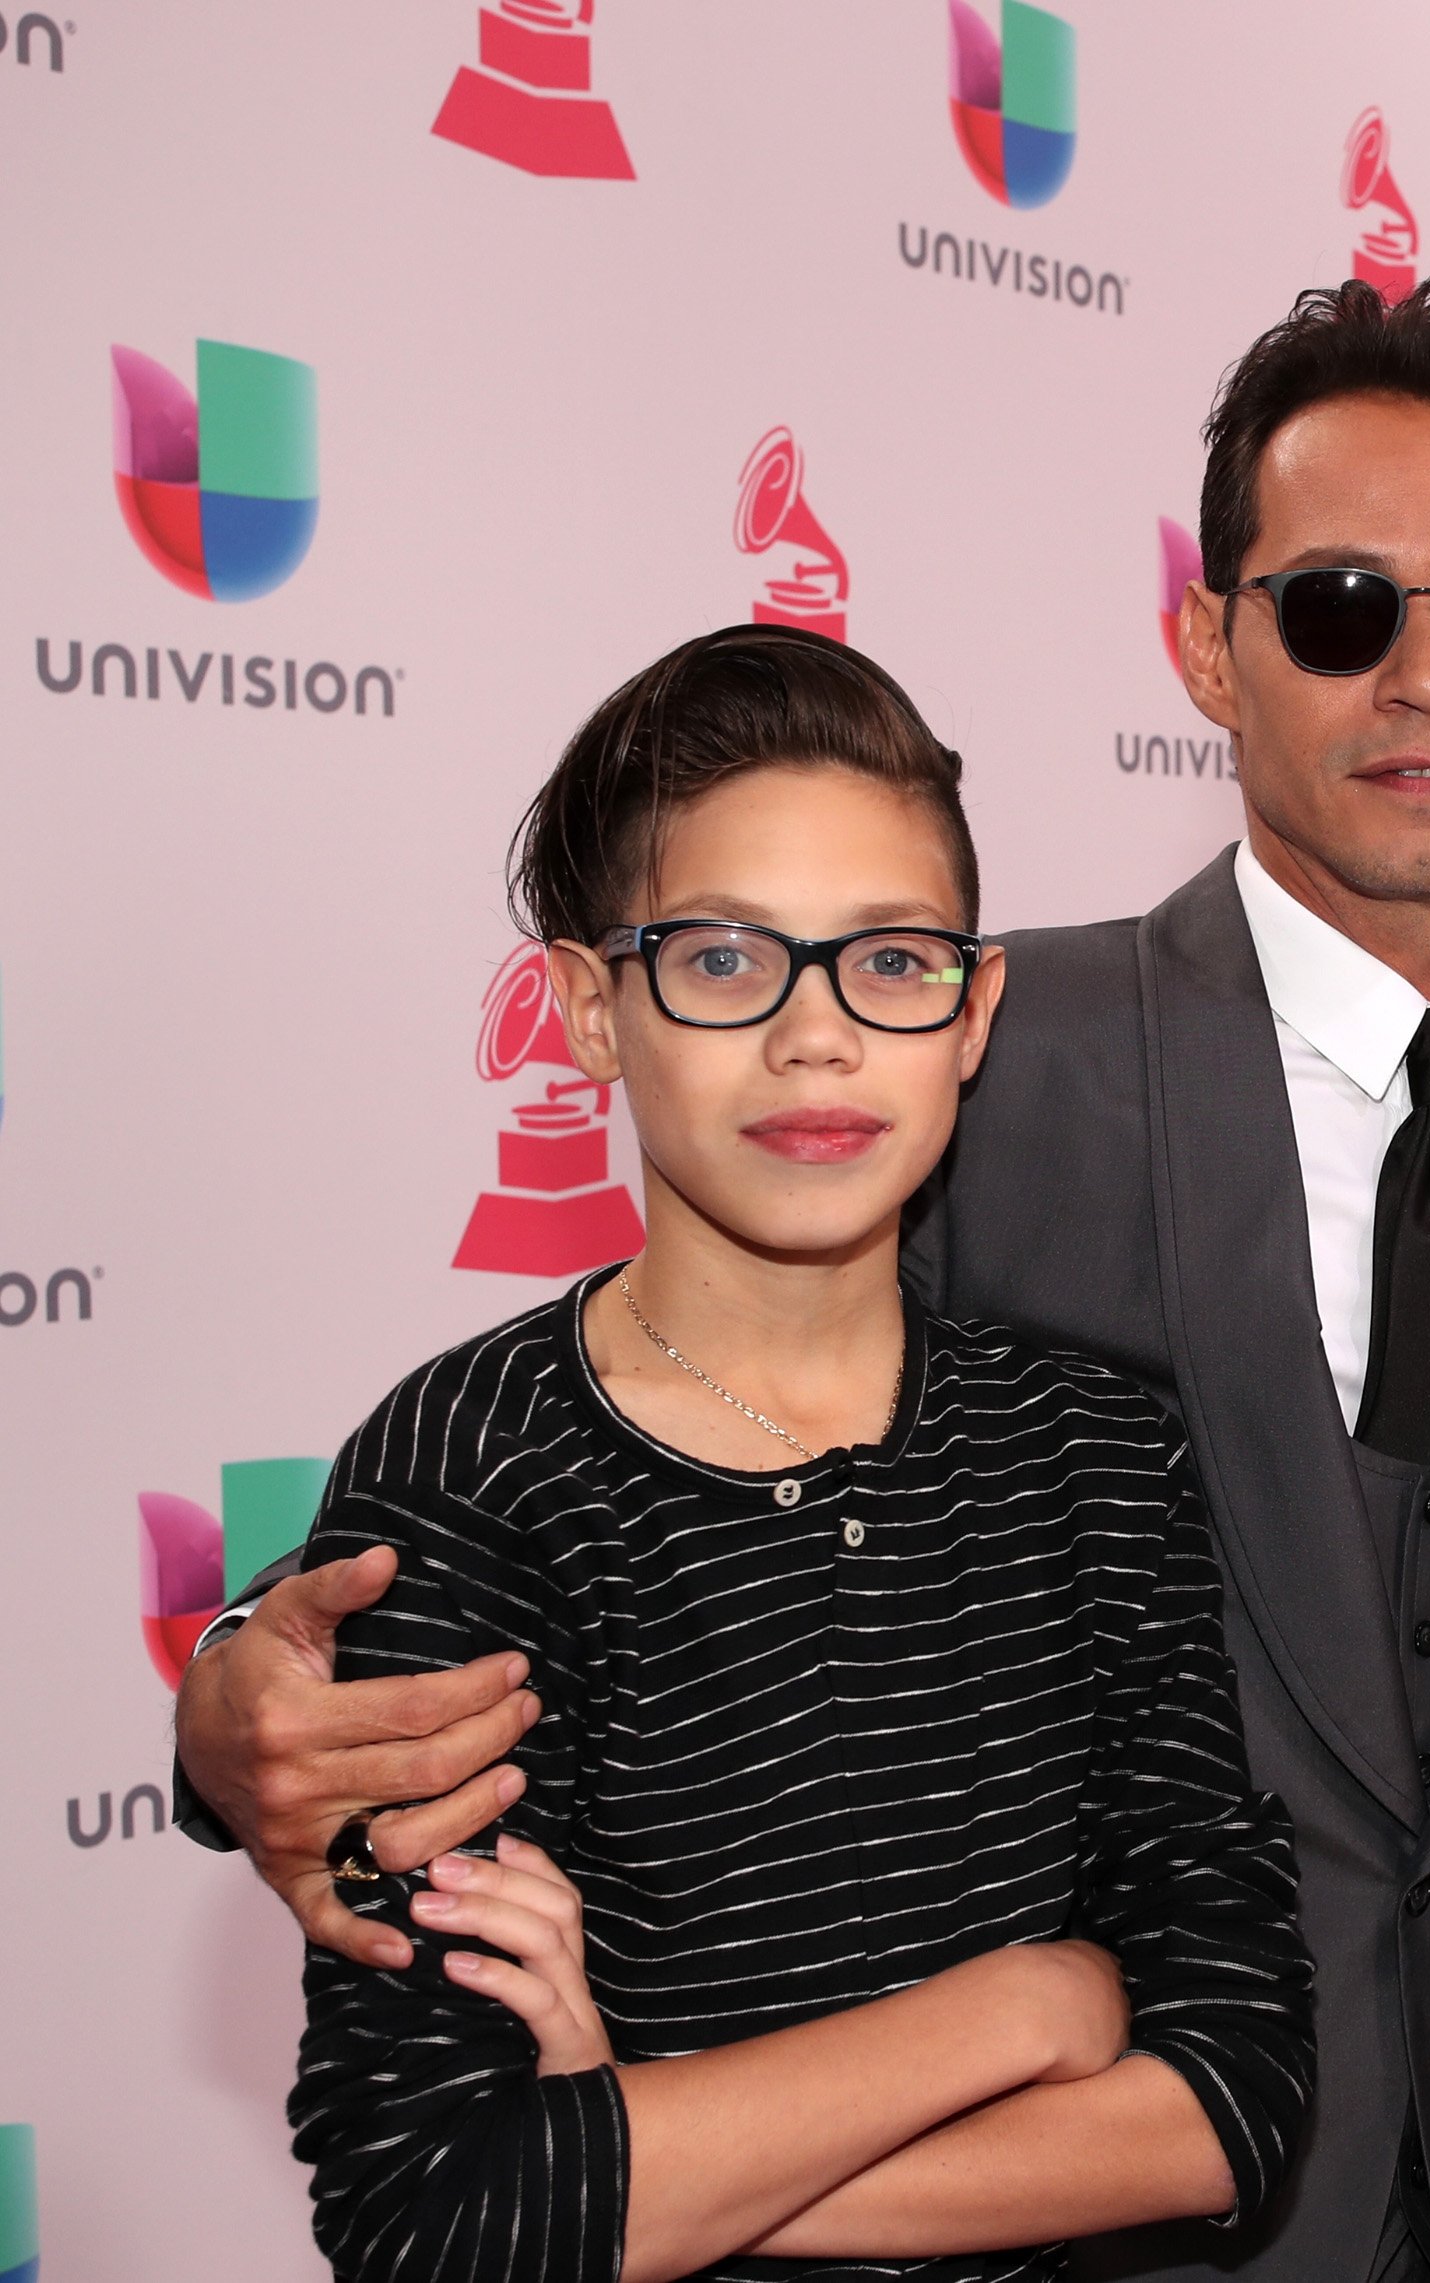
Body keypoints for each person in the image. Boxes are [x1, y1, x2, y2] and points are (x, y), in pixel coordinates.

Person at [177, 282, 1430, 2283]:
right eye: (1334, 605)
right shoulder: (959, 1048)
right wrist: (226, 1714)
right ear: (1207, 648)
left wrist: (636, 2145)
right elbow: (550, 1538)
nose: (1425, 676)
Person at [276, 625, 1313, 2283]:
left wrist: (637, 2125)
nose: (817, 1037)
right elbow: (432, 2210)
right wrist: (1021, 2007)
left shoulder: (1091, 1450)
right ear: (591, 1009)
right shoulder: (465, 1475)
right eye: (723, 959)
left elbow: (1231, 2103)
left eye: (891, 961)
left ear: (974, 1015)